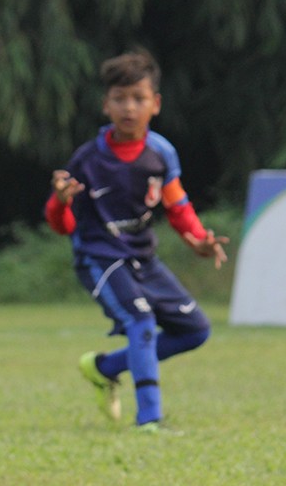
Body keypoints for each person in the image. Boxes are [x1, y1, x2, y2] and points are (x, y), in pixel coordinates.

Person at [44, 48, 227, 431]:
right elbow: (62, 225)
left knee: (196, 330)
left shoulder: (161, 153)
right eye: (120, 98)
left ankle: (104, 367)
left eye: (138, 98)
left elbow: (177, 205)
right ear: (106, 105)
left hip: (143, 257)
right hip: (98, 256)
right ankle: (149, 421)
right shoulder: (87, 160)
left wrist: (197, 239)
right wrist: (59, 202)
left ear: (155, 104)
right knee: (140, 320)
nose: (129, 107)